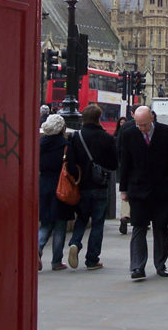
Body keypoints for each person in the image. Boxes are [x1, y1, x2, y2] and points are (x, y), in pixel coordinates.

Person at [119, 106, 168, 281]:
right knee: (139, 228)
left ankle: (160, 264)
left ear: (152, 119)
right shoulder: (129, 134)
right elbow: (124, 163)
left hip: (162, 189)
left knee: (161, 229)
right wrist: (123, 189)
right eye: (139, 125)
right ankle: (137, 267)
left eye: (145, 125)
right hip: (138, 190)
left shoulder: (166, 133)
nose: (142, 129)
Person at [66, 104, 118, 270]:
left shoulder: (75, 137)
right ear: (98, 118)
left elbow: (70, 164)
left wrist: (76, 178)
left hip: (81, 185)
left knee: (81, 218)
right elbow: (114, 164)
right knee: (97, 223)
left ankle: (75, 243)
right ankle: (92, 259)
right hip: (100, 186)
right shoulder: (108, 138)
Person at [38, 114, 77, 271]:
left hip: (44, 185)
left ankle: (38, 246)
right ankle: (56, 261)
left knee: (46, 222)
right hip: (61, 186)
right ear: (62, 128)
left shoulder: (40, 144)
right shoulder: (65, 145)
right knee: (60, 224)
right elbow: (72, 168)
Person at [114, 115, 132, 235]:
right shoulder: (148, 127)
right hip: (143, 170)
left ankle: (125, 216)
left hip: (126, 166)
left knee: (126, 194)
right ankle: (143, 220)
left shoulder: (125, 128)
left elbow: (118, 147)